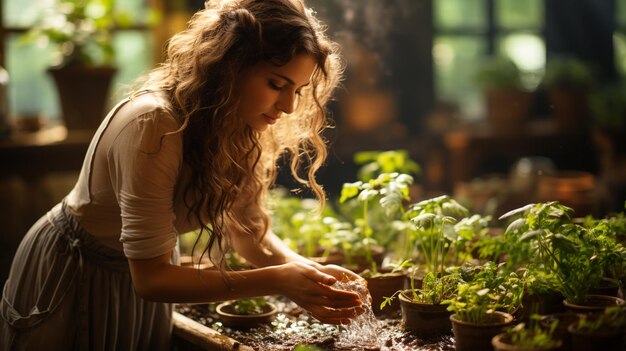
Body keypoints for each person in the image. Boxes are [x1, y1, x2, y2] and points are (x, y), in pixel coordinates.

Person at [0, 0, 366, 349]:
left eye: (298, 91)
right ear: (230, 65)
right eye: (277, 84)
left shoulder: (236, 125)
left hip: (147, 280)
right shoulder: (154, 124)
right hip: (75, 272)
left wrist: (313, 275)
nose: (288, 107)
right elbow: (152, 278)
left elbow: (250, 235)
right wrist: (279, 280)